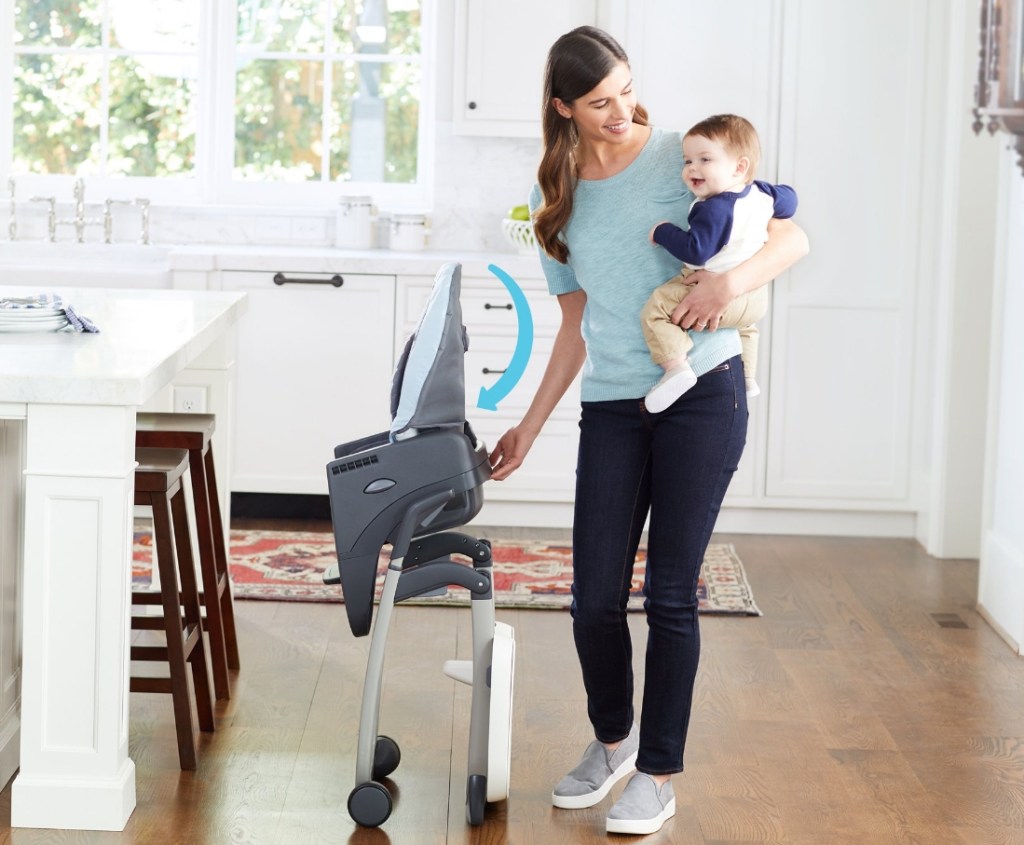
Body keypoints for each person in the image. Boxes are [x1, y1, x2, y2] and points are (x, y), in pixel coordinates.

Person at [487, 26, 808, 837]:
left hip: (703, 391)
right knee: (592, 598)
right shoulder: (553, 196)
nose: (622, 110)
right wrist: (527, 426)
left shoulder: (683, 154)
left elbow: (793, 234)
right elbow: (572, 326)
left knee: (670, 594)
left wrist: (729, 280)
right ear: (563, 108)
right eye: (600, 101)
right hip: (615, 404)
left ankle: (658, 773)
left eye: (627, 88)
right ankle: (613, 741)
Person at [642, 114, 798, 412]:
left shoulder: (714, 209)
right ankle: (748, 376)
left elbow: (696, 251)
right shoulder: (762, 193)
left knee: (657, 308)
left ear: (740, 167)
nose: (693, 169)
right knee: (747, 327)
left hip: (717, 293)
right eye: (687, 161)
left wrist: (663, 231)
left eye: (705, 160)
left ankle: (676, 367)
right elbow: (789, 201)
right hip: (754, 298)